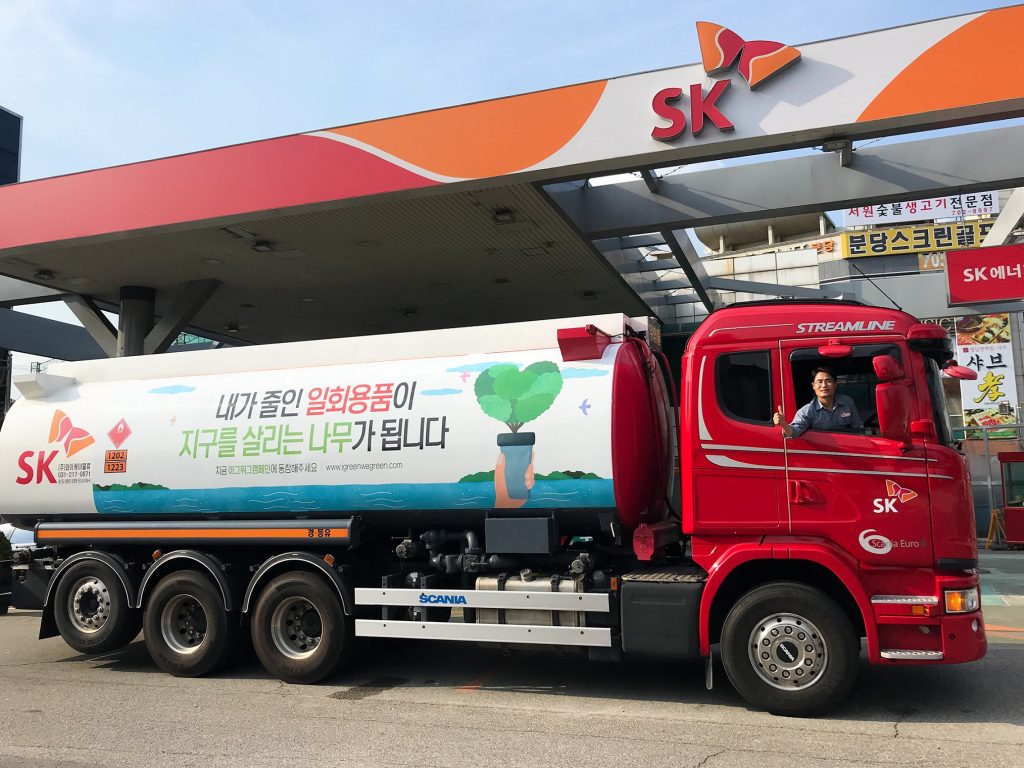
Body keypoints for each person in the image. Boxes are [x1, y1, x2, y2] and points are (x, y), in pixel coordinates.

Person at [773, 366, 863, 438]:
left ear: (835, 384)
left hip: (847, 448)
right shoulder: (807, 411)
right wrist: (784, 424)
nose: (824, 385)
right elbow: (793, 433)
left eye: (828, 381)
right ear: (813, 386)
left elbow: (858, 428)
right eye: (819, 382)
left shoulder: (847, 402)